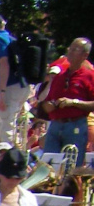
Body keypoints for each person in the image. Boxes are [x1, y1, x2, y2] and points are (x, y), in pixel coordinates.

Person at [38, 38, 94, 167]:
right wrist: (48, 106)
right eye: (70, 48)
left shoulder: (89, 76)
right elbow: (47, 101)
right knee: (48, 166)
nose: (70, 51)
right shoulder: (60, 76)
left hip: (75, 125)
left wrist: (73, 102)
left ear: (85, 55)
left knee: (71, 167)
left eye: (75, 49)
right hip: (55, 125)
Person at [0, 14, 31, 146]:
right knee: (6, 121)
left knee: (6, 125)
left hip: (10, 86)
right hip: (22, 85)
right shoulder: (10, 38)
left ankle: (6, 158)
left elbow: (4, 64)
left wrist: (2, 91)